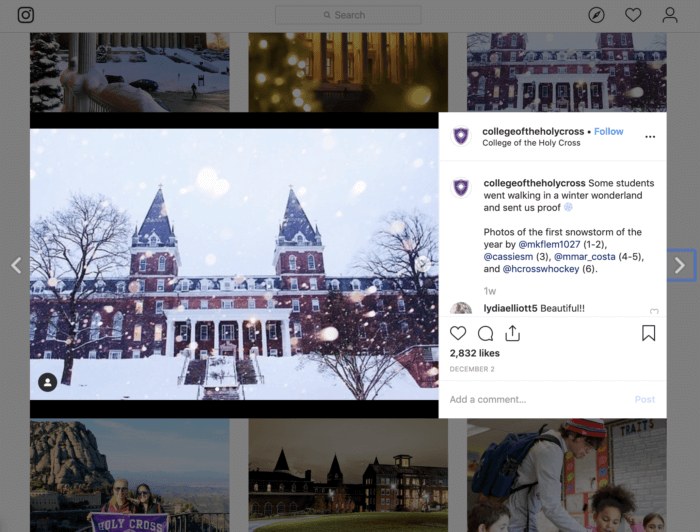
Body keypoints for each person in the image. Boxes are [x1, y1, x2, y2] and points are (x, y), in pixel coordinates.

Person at [506, 419, 607, 532]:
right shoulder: (551, 450)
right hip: (518, 521)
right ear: (572, 434)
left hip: (523, 517)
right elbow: (551, 507)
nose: (588, 451)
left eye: (592, 448)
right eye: (587, 444)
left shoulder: (549, 441)